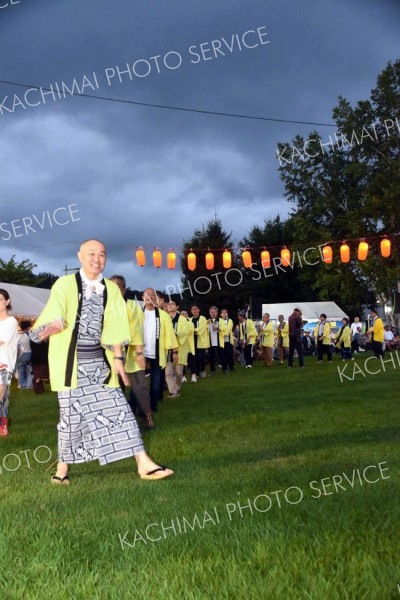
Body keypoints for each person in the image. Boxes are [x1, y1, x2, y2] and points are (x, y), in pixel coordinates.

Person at [31, 240, 173, 485]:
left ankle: (144, 463)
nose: (97, 259)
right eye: (91, 254)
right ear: (79, 256)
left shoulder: (110, 289)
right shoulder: (64, 285)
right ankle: (62, 468)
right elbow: (51, 317)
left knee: (121, 410)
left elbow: (115, 327)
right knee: (70, 417)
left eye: (102, 254)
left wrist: (118, 358)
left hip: (99, 364)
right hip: (70, 365)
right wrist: (52, 325)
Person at [109, 275, 154, 430]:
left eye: (119, 286)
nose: (116, 289)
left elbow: (136, 330)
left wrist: (140, 353)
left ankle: (146, 415)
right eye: (112, 286)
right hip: (111, 355)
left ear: (124, 289)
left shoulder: (132, 306)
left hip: (132, 352)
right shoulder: (105, 307)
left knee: (140, 386)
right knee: (115, 387)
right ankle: (120, 420)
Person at [142, 288, 178, 412]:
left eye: (152, 295)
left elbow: (170, 334)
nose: (149, 297)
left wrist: (174, 351)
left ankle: (152, 404)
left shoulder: (163, 315)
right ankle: (140, 403)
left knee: (156, 380)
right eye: (147, 295)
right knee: (139, 380)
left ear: (155, 298)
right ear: (142, 297)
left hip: (157, 352)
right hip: (140, 352)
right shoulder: (137, 313)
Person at [0, 289, 19, 437]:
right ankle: (2, 425)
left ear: (7, 301)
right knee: (2, 399)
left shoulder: (11, 322)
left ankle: (2, 426)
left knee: (0, 397)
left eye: (0, 299)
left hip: (3, 365)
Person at [166, 300, 192, 397]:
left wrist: (175, 335)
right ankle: (172, 391)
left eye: (172, 304)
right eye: (168, 304)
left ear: (177, 307)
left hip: (180, 348)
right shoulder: (166, 318)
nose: (170, 305)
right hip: (168, 348)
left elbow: (186, 331)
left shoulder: (182, 319)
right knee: (168, 372)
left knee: (179, 372)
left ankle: (177, 388)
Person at [189, 305, 209, 382]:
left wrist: (194, 330)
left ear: (199, 310)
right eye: (193, 309)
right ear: (191, 311)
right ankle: (196, 373)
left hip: (201, 340)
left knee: (201, 357)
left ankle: (203, 370)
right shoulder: (190, 319)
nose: (194, 310)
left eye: (196, 309)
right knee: (195, 358)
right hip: (192, 341)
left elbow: (202, 327)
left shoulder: (202, 318)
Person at [207, 306, 227, 376]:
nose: (212, 313)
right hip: (210, 342)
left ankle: (225, 369)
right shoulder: (207, 321)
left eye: (214, 312)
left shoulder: (220, 320)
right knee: (211, 357)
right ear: (209, 313)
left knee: (221, 356)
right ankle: (212, 371)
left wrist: (218, 328)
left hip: (219, 342)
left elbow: (224, 328)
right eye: (211, 312)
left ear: (217, 313)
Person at [17, 319, 33, 390]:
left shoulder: (16, 335)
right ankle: (28, 385)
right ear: (28, 327)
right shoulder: (28, 335)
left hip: (19, 355)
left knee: (21, 371)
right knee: (29, 370)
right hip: (28, 353)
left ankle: (22, 386)